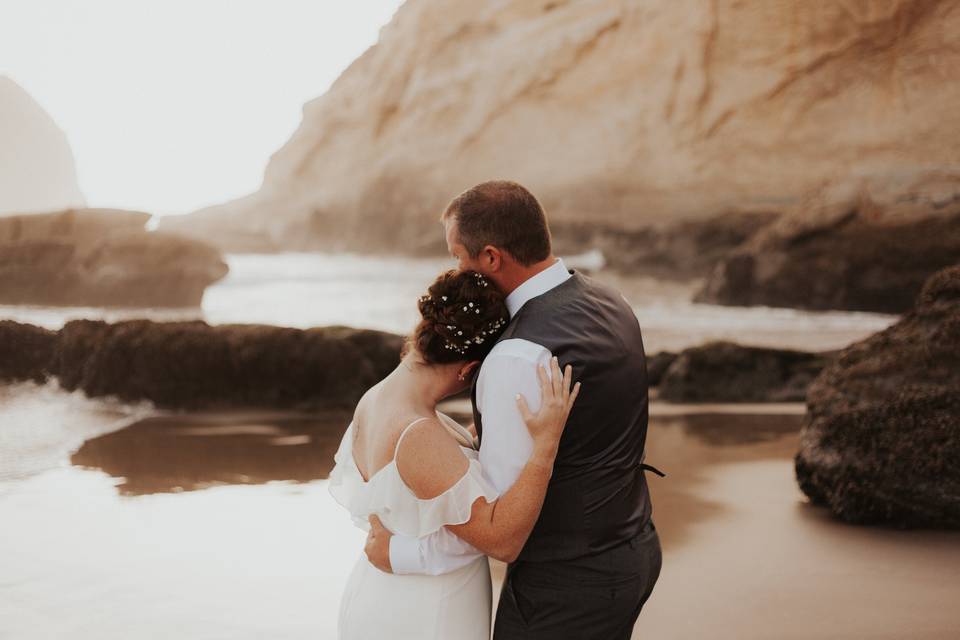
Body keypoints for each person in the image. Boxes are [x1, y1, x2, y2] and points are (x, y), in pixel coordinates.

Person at [364, 180, 664, 639]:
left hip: (565, 583)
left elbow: (501, 532)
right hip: (634, 549)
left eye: (457, 255)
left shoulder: (515, 356)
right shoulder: (611, 301)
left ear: (490, 258)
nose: (456, 267)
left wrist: (399, 553)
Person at [329, 267, 581, 640]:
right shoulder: (419, 434)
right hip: (428, 614)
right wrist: (544, 448)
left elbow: (414, 489)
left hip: (382, 596)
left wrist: (473, 438)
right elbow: (503, 540)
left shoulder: (377, 399)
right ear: (469, 370)